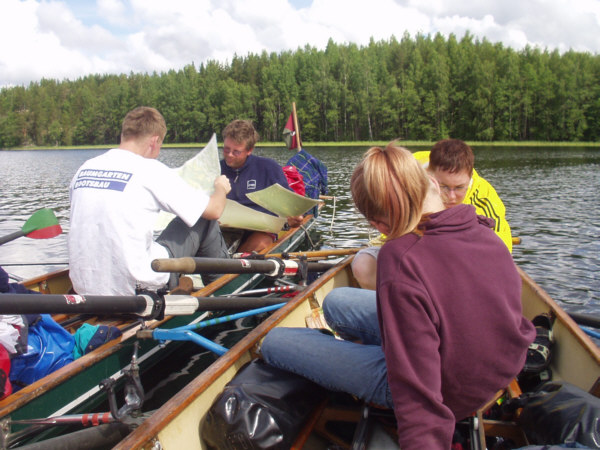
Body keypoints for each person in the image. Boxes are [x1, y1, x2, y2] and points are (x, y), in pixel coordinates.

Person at [260, 142, 535, 449]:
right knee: (337, 303)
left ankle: (345, 359)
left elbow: (418, 391)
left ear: (377, 224)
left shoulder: (399, 258)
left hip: (450, 391)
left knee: (274, 341)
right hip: (499, 372)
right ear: (429, 184)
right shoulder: (484, 230)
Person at [68, 106, 231, 296]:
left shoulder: (85, 169)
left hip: (84, 289)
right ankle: (226, 292)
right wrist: (221, 187)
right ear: (154, 141)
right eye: (160, 146)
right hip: (137, 291)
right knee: (204, 220)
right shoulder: (150, 169)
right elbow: (215, 210)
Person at [352, 138, 513, 290]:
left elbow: (500, 255)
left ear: (469, 179)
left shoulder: (485, 198)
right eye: (443, 187)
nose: (451, 197)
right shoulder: (407, 171)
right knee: (363, 265)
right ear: (430, 177)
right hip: (412, 251)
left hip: (457, 264)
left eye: (459, 188)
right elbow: (391, 222)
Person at [220, 119, 303, 253]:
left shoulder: (268, 168)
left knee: (261, 243)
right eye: (226, 149)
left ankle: (237, 264)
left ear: (249, 150)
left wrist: (294, 218)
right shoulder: (215, 169)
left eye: (236, 152)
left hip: (260, 230)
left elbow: (289, 206)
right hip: (223, 229)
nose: (229, 155)